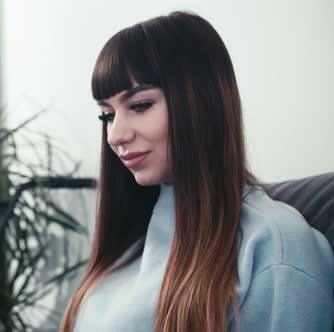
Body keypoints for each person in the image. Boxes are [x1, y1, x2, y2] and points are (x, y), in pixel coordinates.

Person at [59, 11, 334, 332]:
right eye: (106, 114)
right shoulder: (132, 237)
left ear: (198, 103)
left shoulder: (276, 249)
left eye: (140, 106)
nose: (115, 135)